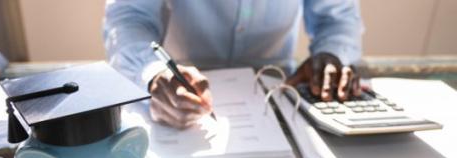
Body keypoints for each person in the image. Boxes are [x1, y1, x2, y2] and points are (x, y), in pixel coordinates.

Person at [104, 0, 363, 129]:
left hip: (280, 101)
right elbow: (130, 16)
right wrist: (152, 71)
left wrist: (331, 53)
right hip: (177, 99)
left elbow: (337, 18)